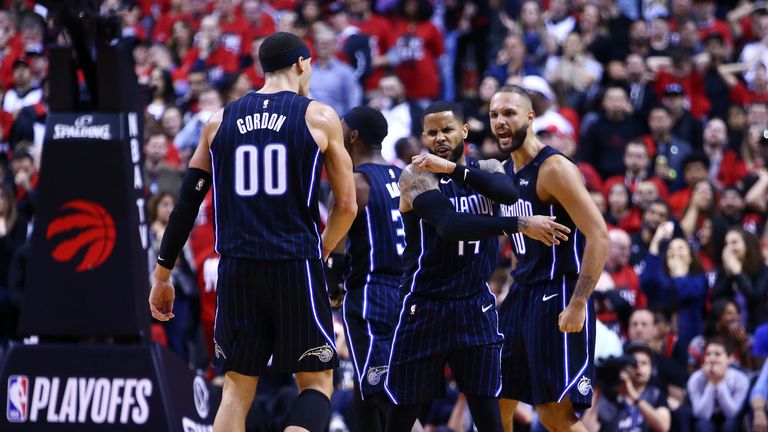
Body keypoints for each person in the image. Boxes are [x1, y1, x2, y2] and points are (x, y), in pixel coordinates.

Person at [148, 32, 358, 432]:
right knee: (316, 383)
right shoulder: (318, 116)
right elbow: (347, 206)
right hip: (294, 263)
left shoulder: (218, 120)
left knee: (236, 388)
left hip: (238, 268)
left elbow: (185, 205)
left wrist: (162, 274)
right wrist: (322, 252)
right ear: (302, 64)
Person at [384, 101, 569, 432]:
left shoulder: (489, 167)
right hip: (426, 305)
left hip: (475, 305)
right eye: (432, 133)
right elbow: (449, 225)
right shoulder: (415, 176)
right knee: (402, 414)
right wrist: (520, 225)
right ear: (423, 137)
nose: (440, 138)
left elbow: (509, 194)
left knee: (488, 414)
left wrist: (454, 169)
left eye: (447, 130)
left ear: (464, 131)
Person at [490, 85, 610, 432]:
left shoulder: (553, 168)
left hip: (557, 292)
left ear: (530, 117)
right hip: (522, 292)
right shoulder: (504, 172)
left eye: (509, 113)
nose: (500, 121)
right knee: (496, 400)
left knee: (554, 414)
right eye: (495, 114)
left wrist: (579, 302)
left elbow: (599, 235)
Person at [335, 106, 403, 432]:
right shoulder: (403, 176)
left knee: (386, 395)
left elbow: (333, 246)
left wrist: (332, 288)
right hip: (406, 293)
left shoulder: (356, 182)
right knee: (367, 392)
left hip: (372, 295)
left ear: (353, 136)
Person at [583, 343, 672, 432]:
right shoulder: (610, 395)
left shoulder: (656, 395)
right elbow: (587, 429)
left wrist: (634, 396)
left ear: (652, 369)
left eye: (644, 363)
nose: (639, 367)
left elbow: (663, 427)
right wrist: (598, 390)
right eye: (634, 363)